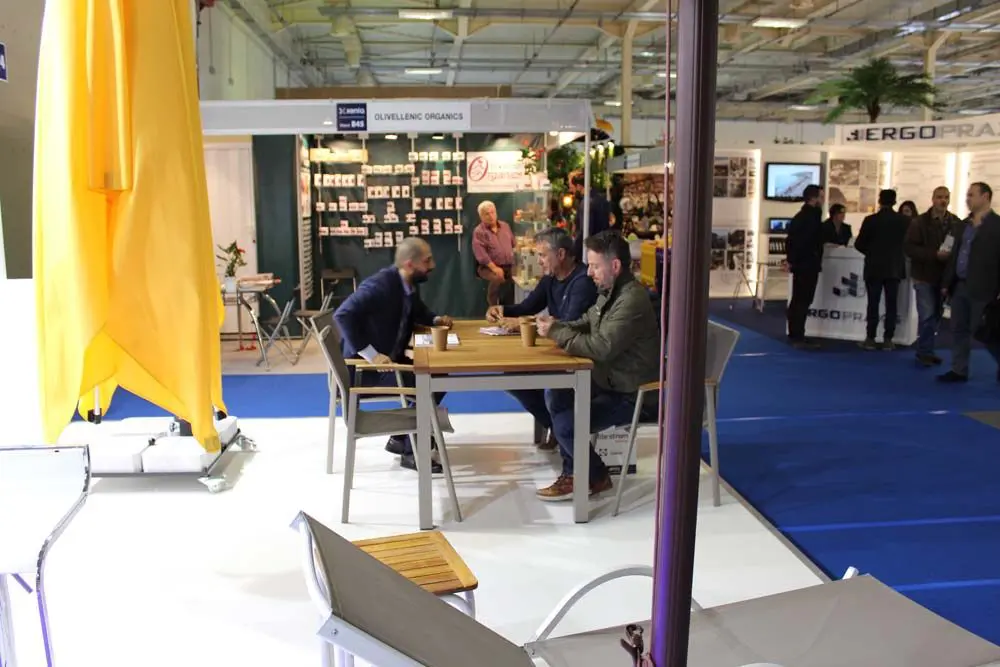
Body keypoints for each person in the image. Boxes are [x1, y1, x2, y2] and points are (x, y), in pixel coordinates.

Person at [534, 230, 659, 502]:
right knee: (556, 394)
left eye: (594, 266)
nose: (589, 272)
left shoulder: (631, 299)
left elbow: (601, 347)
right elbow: (587, 321)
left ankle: (592, 475)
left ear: (615, 266)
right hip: (611, 380)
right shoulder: (611, 291)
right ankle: (580, 472)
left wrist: (557, 332)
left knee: (567, 424)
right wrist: (558, 326)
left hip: (632, 393)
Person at [334, 238, 453, 472]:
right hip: (365, 373)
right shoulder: (380, 285)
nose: (432, 265)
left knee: (438, 374)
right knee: (431, 381)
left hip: (390, 363)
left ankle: (401, 438)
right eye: (427, 261)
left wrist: (436, 319)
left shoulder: (405, 283)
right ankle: (412, 451)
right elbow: (343, 315)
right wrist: (372, 355)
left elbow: (417, 310)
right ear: (410, 264)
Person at [486, 227, 598, 450]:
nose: (538, 261)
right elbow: (528, 307)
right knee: (512, 377)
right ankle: (555, 427)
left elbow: (569, 323)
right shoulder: (551, 279)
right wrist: (501, 309)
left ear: (561, 254)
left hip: (577, 356)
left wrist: (525, 323)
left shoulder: (582, 282)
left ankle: (561, 432)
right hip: (555, 351)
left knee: (549, 390)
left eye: (542, 255)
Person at [938, 182, 1000, 382]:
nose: (967, 199)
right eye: (967, 195)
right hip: (960, 285)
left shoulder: (997, 225)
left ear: (985, 197)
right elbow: (954, 255)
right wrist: (946, 283)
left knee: (986, 332)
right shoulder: (962, 225)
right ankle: (959, 369)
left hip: (985, 288)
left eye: (972, 195)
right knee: (958, 329)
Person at [904, 186, 962, 366]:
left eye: (946, 197)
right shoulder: (919, 222)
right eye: (939, 197)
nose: (943, 201)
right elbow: (909, 248)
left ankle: (926, 350)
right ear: (933, 199)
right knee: (927, 315)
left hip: (944, 277)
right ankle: (924, 352)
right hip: (923, 275)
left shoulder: (955, 222)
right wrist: (934, 255)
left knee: (936, 315)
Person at [854, 189, 910, 351]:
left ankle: (870, 338)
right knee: (892, 304)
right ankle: (888, 339)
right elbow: (908, 244)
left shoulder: (870, 220)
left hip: (874, 267)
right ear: (895, 201)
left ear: (879, 201)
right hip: (894, 267)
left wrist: (871, 253)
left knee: (873, 303)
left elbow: (859, 244)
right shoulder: (904, 221)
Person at [785, 184, 825, 350]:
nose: (823, 200)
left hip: (802, 264)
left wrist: (792, 260)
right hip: (807, 264)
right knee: (803, 300)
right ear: (813, 198)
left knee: (798, 299)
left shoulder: (801, 216)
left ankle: (795, 333)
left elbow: (791, 241)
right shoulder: (811, 217)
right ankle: (798, 335)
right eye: (821, 197)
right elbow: (806, 241)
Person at [472, 200, 516, 307]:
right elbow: (481, 255)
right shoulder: (479, 231)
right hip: (487, 267)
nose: (491, 216)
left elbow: (514, 244)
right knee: (498, 277)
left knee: (516, 280)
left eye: (492, 212)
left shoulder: (505, 226)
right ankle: (493, 307)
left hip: (509, 265)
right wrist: (494, 268)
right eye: (487, 214)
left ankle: (508, 309)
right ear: (481, 216)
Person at [570, 172, 611, 261]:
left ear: (579, 186)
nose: (572, 191)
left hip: (590, 250)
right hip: (604, 246)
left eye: (572, 187)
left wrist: (574, 251)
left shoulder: (586, 203)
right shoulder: (602, 199)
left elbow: (585, 230)